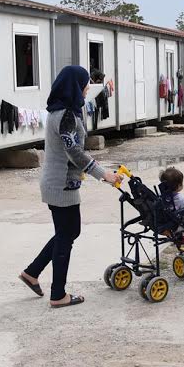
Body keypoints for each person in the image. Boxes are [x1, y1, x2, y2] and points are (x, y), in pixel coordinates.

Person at [19, 65, 120, 308]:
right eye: (85, 83)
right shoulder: (65, 115)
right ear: (74, 85)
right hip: (60, 184)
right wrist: (103, 174)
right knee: (68, 234)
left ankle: (32, 273)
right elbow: (74, 152)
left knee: (67, 232)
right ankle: (58, 294)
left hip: (60, 183)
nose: (87, 88)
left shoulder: (64, 111)